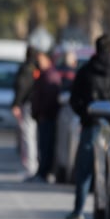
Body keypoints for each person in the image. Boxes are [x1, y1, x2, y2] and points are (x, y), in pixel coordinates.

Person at [66, 34, 110, 219]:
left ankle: (79, 210)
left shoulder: (86, 71)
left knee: (84, 170)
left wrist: (85, 114)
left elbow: (73, 100)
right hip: (107, 127)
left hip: (91, 125)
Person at [28, 48, 62, 183]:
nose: (38, 62)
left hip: (47, 116)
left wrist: (42, 112)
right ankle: (41, 171)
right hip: (42, 116)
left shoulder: (50, 75)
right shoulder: (44, 74)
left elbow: (48, 99)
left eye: (40, 59)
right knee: (42, 145)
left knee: (46, 146)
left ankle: (44, 172)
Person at [11, 46, 39, 179]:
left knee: (28, 136)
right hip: (34, 104)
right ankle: (32, 166)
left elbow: (21, 86)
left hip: (27, 104)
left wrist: (16, 103)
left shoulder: (26, 69)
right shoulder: (36, 68)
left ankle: (31, 167)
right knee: (30, 136)